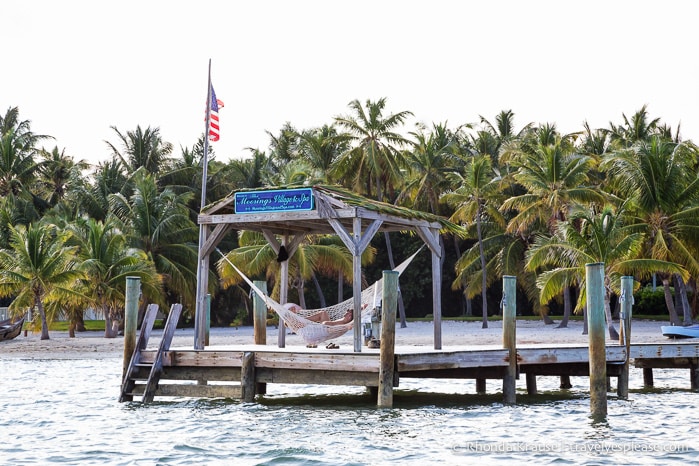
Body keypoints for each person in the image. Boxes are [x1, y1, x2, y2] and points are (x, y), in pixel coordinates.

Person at [283, 303, 355, 325]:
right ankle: (301, 321)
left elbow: (356, 313)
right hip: (326, 326)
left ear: (350, 316)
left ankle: (301, 321)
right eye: (291, 309)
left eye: (348, 311)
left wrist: (362, 307)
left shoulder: (347, 322)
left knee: (323, 314)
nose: (346, 311)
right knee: (323, 313)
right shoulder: (345, 319)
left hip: (327, 327)